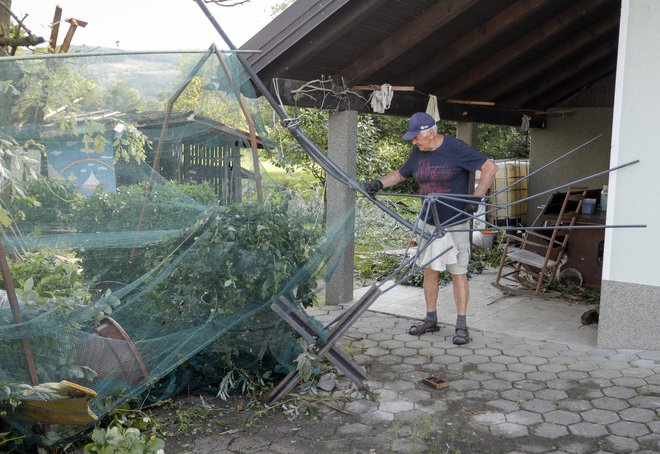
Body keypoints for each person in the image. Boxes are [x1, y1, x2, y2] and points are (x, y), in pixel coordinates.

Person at [366, 112, 498, 345]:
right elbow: (401, 173)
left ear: (431, 132)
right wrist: (378, 183)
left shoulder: (456, 148)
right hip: (428, 222)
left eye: (417, 138)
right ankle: (431, 319)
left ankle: (461, 325)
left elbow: (490, 168)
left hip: (455, 221)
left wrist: (476, 199)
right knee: (430, 270)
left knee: (458, 273)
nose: (414, 143)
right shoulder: (418, 151)